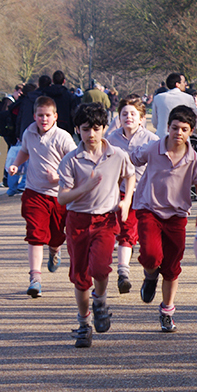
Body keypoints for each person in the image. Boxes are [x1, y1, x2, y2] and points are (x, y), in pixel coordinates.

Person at [57, 103, 136, 348]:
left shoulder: (117, 154)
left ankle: (100, 301)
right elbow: (62, 197)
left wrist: (126, 201)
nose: (91, 134)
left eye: (96, 128)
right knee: (80, 276)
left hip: (105, 220)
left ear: (104, 128)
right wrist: (85, 188)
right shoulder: (71, 160)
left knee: (101, 269)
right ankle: (83, 324)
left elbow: (130, 175)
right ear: (77, 130)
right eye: (85, 129)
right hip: (78, 221)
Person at [129, 105, 197, 332]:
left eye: (184, 129)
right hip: (149, 209)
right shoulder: (154, 148)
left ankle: (167, 310)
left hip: (176, 216)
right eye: (175, 128)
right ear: (168, 127)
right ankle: (150, 275)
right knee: (152, 256)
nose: (179, 133)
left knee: (172, 267)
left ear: (191, 131)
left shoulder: (193, 159)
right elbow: (134, 159)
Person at [6, 97, 77, 297]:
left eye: (47, 116)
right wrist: (16, 165)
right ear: (34, 116)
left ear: (55, 116)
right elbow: (24, 152)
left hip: (58, 196)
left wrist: (59, 176)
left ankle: (55, 251)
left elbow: (75, 164)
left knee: (55, 236)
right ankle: (35, 278)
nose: (43, 119)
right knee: (35, 235)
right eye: (40, 115)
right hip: (34, 192)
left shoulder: (63, 137)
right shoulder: (29, 132)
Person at [105, 95, 157, 294]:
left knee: (145, 237)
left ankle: (149, 276)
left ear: (142, 118)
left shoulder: (152, 140)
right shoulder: (111, 140)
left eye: (133, 114)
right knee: (125, 231)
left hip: (144, 194)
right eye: (124, 114)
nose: (128, 117)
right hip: (120, 192)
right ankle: (123, 273)